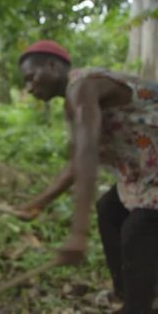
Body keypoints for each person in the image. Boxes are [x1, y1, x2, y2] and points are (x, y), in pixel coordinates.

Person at [16, 40, 158, 313]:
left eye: (31, 77)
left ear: (52, 65)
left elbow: (88, 152)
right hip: (144, 175)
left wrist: (78, 234)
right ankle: (130, 295)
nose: (30, 87)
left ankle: (139, 304)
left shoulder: (84, 86)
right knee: (109, 210)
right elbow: (74, 166)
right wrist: (38, 203)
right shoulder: (73, 103)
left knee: (136, 231)